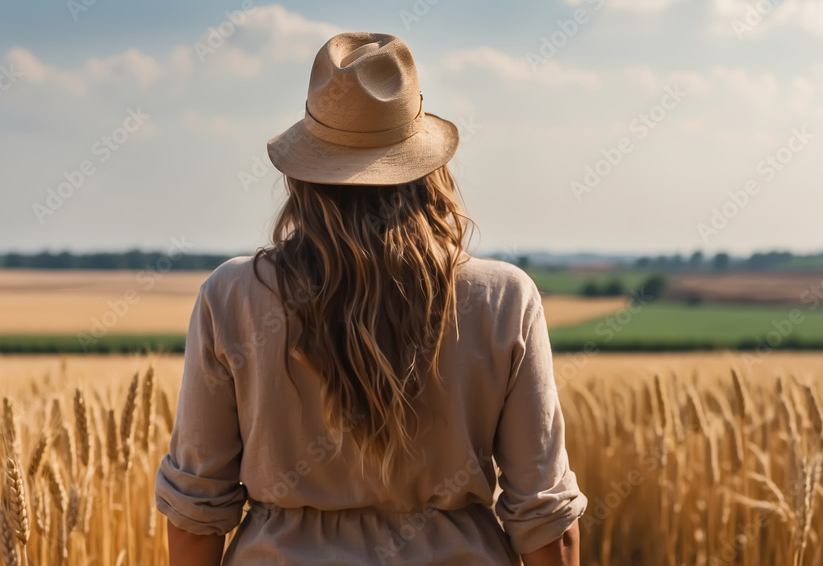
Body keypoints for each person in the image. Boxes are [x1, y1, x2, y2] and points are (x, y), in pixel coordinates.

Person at [156, 31, 587, 565]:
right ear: (428, 166)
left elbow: (196, 514)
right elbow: (546, 520)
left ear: (304, 173)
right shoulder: (503, 299)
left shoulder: (234, 296)